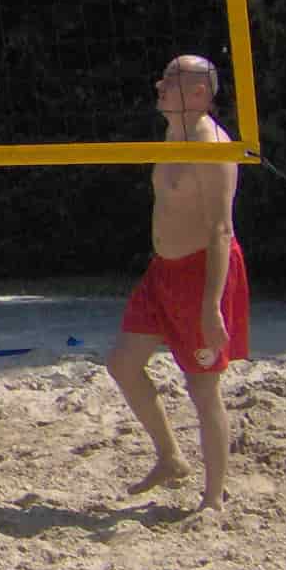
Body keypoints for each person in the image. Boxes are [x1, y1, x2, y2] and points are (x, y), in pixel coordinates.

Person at [107, 54, 249, 513]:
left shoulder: (211, 146)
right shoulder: (174, 133)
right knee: (123, 364)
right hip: (162, 273)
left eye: (171, 79)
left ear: (199, 93)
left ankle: (213, 499)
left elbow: (221, 230)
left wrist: (211, 305)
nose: (159, 85)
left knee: (203, 388)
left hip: (201, 272)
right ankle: (170, 457)